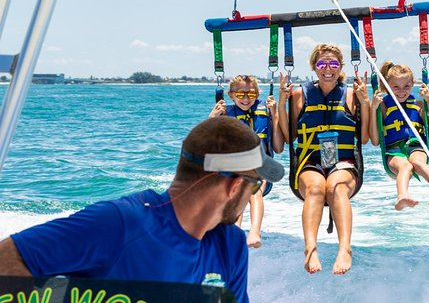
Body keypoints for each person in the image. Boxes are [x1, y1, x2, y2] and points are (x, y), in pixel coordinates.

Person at [0, 117, 285, 303]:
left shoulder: (231, 245)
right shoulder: (119, 223)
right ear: (234, 187)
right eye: (255, 184)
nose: (255, 193)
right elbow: (6, 261)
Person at [277, 43, 370, 275]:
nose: (327, 68)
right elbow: (289, 138)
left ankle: (345, 249)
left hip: (344, 163)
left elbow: (365, 138)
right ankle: (310, 249)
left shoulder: (351, 94)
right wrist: (281, 101)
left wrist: (365, 102)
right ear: (314, 67)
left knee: (336, 187)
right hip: (310, 161)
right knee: (317, 188)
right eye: (322, 63)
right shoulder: (299, 94)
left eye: (333, 64)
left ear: (340, 68)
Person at [209, 75, 285, 249]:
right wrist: (212, 117)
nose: (245, 99)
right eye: (240, 94)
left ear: (257, 95)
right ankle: (235, 234)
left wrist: (275, 115)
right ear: (230, 95)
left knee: (252, 191)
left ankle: (254, 232)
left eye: (251, 95)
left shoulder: (265, 112)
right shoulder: (225, 113)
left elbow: (279, 148)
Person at [369, 61, 429, 210]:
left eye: (406, 86)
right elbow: (375, 141)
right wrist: (373, 108)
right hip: (393, 150)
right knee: (405, 166)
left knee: (419, 163)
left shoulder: (419, 104)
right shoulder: (381, 106)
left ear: (413, 83)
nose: (401, 91)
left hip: (415, 146)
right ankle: (402, 196)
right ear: (387, 85)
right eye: (396, 87)